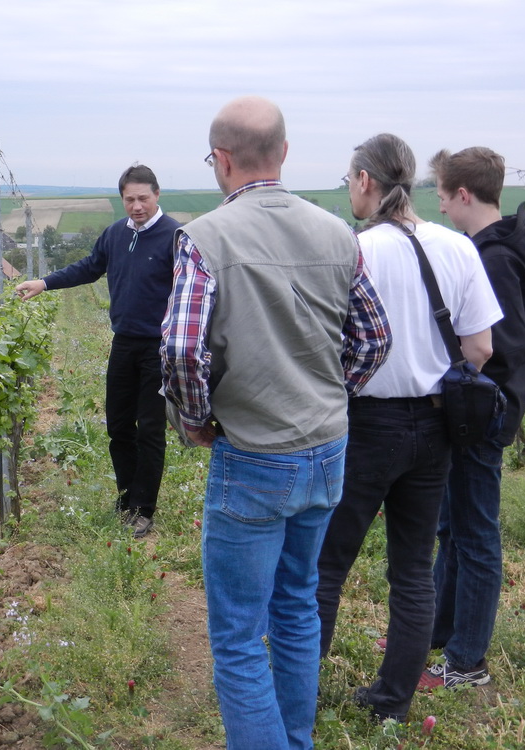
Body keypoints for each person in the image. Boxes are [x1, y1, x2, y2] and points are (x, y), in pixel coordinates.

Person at [162, 95, 391, 750]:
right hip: (326, 451)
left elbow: (180, 349)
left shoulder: (205, 238)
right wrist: (327, 393)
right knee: (296, 608)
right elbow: (374, 339)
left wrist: (196, 419)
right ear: (284, 153)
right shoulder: (336, 233)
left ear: (222, 160)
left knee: (237, 635)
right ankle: (296, 740)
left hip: (253, 455)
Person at [315, 134, 502, 723]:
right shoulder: (457, 247)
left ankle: (297, 692)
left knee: (326, 567)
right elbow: (480, 347)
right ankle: (392, 703)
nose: (349, 189)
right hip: (437, 425)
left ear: (366, 181)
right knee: (413, 570)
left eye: (350, 179)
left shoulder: (353, 251)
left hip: (367, 422)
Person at [420, 147, 525, 689]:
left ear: (463, 194)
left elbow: (504, 347)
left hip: (479, 415)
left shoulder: (492, 259)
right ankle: (440, 635)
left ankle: (468, 662)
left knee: (475, 535)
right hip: (472, 412)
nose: (441, 208)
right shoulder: (490, 250)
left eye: (444, 197)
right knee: (453, 527)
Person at [15, 165, 181, 538]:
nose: (136, 206)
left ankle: (144, 509)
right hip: (123, 343)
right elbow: (90, 268)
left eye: (143, 198)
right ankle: (125, 500)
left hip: (159, 348)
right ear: (122, 198)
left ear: (157, 195)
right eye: (129, 199)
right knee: (119, 427)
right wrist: (45, 282)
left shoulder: (176, 236)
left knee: (150, 430)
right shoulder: (115, 234)